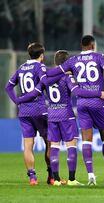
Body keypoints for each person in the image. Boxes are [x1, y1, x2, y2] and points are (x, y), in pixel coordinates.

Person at [45, 35, 104, 185]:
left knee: (87, 140)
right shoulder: (99, 57)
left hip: (82, 104)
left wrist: (45, 73)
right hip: (98, 102)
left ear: (82, 45)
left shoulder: (72, 60)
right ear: (93, 45)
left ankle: (91, 176)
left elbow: (53, 72)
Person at [17, 50, 104, 186]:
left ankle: (56, 179)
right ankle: (71, 179)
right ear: (67, 63)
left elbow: (35, 91)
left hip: (52, 115)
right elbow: (77, 91)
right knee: (71, 146)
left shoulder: (46, 78)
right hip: (66, 115)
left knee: (54, 147)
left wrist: (20, 100)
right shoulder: (66, 77)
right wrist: (98, 93)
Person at [5, 42, 53, 185]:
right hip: (39, 109)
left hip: (24, 111)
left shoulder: (21, 68)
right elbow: (44, 84)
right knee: (50, 143)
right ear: (41, 55)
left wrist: (17, 101)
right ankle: (51, 175)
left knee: (28, 145)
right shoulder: (40, 66)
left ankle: (32, 177)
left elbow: (8, 87)